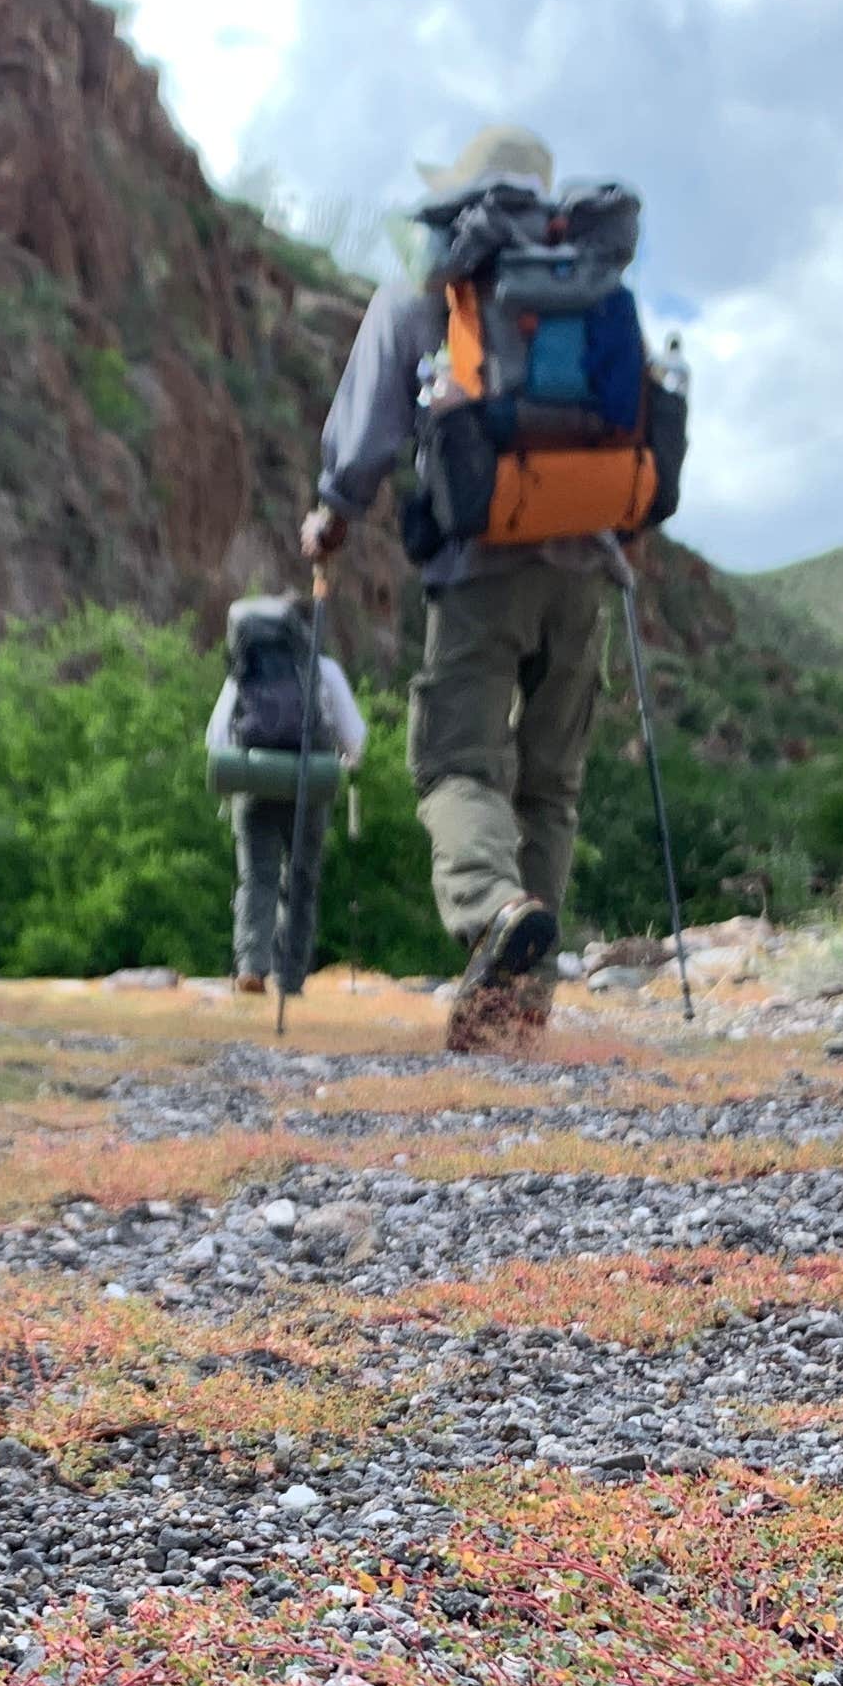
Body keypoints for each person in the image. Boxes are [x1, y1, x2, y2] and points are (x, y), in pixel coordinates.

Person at [303, 123, 621, 1052]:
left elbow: (363, 437)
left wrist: (333, 512)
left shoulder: (429, 293)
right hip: (586, 569)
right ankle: (516, 1012)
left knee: (455, 762)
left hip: (483, 566)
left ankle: (491, 911)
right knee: (551, 789)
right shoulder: (590, 286)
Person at [201, 598, 368, 993]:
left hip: (255, 782)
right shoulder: (322, 670)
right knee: (300, 881)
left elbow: (217, 737)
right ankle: (291, 977)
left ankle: (251, 967)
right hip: (310, 784)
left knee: (255, 877)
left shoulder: (247, 670)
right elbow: (355, 738)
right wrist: (342, 764)